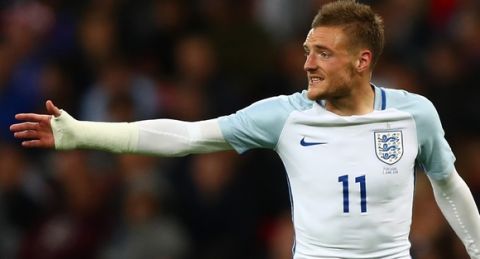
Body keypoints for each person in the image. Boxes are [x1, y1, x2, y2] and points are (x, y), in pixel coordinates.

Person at [9, 1, 480, 258]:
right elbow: (188, 137)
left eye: (323, 54)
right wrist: (83, 133)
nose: (308, 63)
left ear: (363, 61)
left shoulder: (414, 114)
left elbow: (447, 183)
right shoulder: (283, 115)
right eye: (307, 49)